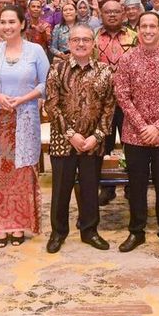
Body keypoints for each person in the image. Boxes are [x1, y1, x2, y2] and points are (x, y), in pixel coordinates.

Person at [113, 11, 159, 254]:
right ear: (138, 30)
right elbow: (122, 95)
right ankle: (137, 231)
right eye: (143, 26)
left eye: (152, 26)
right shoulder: (127, 60)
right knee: (135, 186)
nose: (147, 30)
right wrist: (142, 125)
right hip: (135, 134)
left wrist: (157, 126)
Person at [0, 5, 50, 247]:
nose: (7, 26)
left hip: (24, 117)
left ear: (22, 24)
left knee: (21, 171)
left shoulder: (35, 51)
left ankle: (19, 224)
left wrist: (23, 99)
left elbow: (45, 84)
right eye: (3, 22)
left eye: (12, 22)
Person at [43, 23, 115, 253]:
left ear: (93, 43)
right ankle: (58, 232)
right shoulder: (57, 69)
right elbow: (51, 106)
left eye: (86, 39)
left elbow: (109, 107)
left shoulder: (104, 71)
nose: (81, 44)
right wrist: (71, 135)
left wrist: (97, 136)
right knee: (61, 188)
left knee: (89, 187)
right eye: (76, 40)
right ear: (69, 44)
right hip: (63, 140)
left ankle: (89, 230)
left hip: (93, 142)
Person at [93, 0, 137, 205]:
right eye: (107, 12)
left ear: (124, 14)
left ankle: (132, 185)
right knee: (104, 144)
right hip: (101, 101)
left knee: (132, 143)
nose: (112, 15)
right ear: (101, 14)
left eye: (116, 12)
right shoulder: (92, 38)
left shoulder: (134, 37)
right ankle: (107, 187)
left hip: (130, 101)